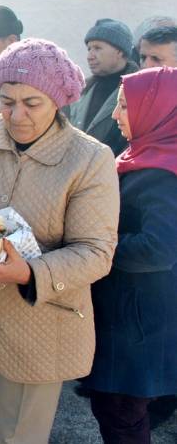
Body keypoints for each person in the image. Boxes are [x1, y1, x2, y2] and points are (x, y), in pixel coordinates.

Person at [0, 38, 120, 444]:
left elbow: (96, 252)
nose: (16, 115)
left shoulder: (89, 158)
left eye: (32, 103)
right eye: (6, 100)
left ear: (59, 100)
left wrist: (29, 271)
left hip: (40, 322)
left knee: (18, 435)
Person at [82, 66, 177, 443]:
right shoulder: (147, 155)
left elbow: (159, 247)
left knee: (121, 414)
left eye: (124, 105)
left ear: (157, 110)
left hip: (136, 326)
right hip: (131, 318)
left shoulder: (161, 174)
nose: (114, 115)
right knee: (117, 410)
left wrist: (97, 245)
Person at [69, 18, 138, 156]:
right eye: (89, 49)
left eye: (97, 48)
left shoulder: (137, 90)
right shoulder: (81, 91)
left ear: (119, 51)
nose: (90, 56)